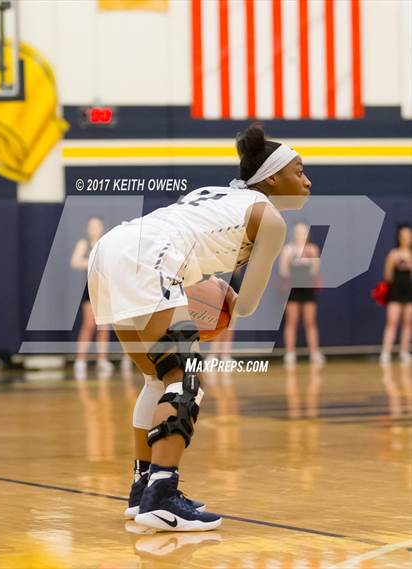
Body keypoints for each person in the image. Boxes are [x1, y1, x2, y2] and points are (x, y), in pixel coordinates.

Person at [88, 123, 311, 532]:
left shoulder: (217, 195)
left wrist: (199, 287)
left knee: (158, 379)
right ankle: (162, 496)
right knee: (184, 378)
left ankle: (142, 491)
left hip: (110, 250)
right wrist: (222, 297)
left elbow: (187, 240)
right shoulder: (270, 219)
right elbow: (245, 307)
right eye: (300, 171)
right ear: (273, 177)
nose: (307, 180)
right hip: (151, 256)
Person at [70, 216, 114, 380]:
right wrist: (93, 261)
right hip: (90, 288)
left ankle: (102, 360)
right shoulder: (84, 243)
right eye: (91, 226)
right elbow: (75, 262)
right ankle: (80, 360)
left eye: (97, 226)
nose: (94, 228)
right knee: (89, 324)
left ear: (102, 228)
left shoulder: (106, 244)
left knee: (104, 327)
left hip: (104, 289)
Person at [279, 222, 324, 367]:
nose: (301, 234)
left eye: (303, 232)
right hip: (292, 290)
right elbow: (283, 271)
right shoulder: (288, 249)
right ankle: (290, 354)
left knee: (310, 322)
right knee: (291, 321)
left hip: (308, 289)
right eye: (298, 231)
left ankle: (314, 353)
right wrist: (293, 259)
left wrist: (309, 258)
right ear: (294, 233)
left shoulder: (313, 249)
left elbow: (315, 271)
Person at [380, 224, 412, 366]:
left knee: (408, 323)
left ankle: (404, 351)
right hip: (395, 292)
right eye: (403, 235)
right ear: (399, 237)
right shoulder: (393, 253)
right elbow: (388, 276)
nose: (406, 237)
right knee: (392, 322)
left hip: (409, 293)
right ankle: (386, 353)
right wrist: (395, 264)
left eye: (408, 235)